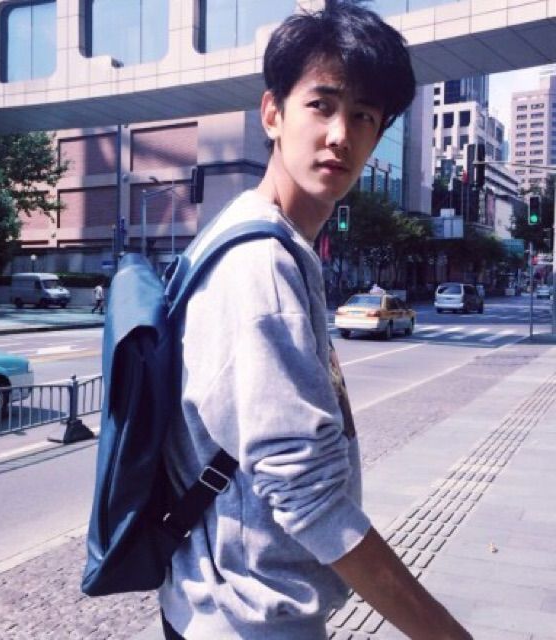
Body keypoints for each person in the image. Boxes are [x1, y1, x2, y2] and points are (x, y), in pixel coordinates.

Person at [159, 2, 472, 639]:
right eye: (321, 105)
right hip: (247, 618)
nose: (340, 134)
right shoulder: (260, 264)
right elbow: (309, 497)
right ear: (273, 113)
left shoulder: (256, 236)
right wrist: (445, 634)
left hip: (218, 603)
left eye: (364, 116)